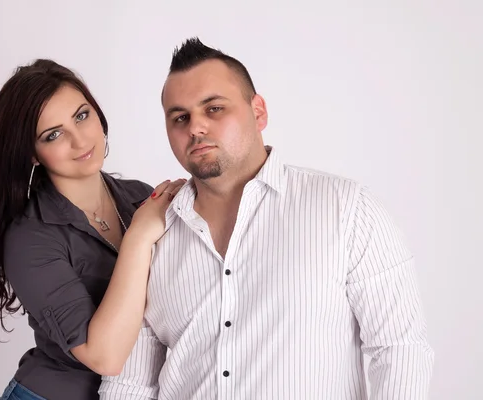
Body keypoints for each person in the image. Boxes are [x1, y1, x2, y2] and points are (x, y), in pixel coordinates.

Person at [99, 38, 434, 400]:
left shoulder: (346, 209)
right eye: (180, 117)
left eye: (213, 109)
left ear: (258, 112)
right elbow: (131, 382)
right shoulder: (153, 235)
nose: (195, 127)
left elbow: (398, 350)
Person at [0, 59, 185, 400]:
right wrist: (139, 237)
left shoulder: (140, 197)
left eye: (81, 116)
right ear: (32, 153)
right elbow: (104, 357)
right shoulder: (30, 239)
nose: (80, 140)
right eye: (53, 135)